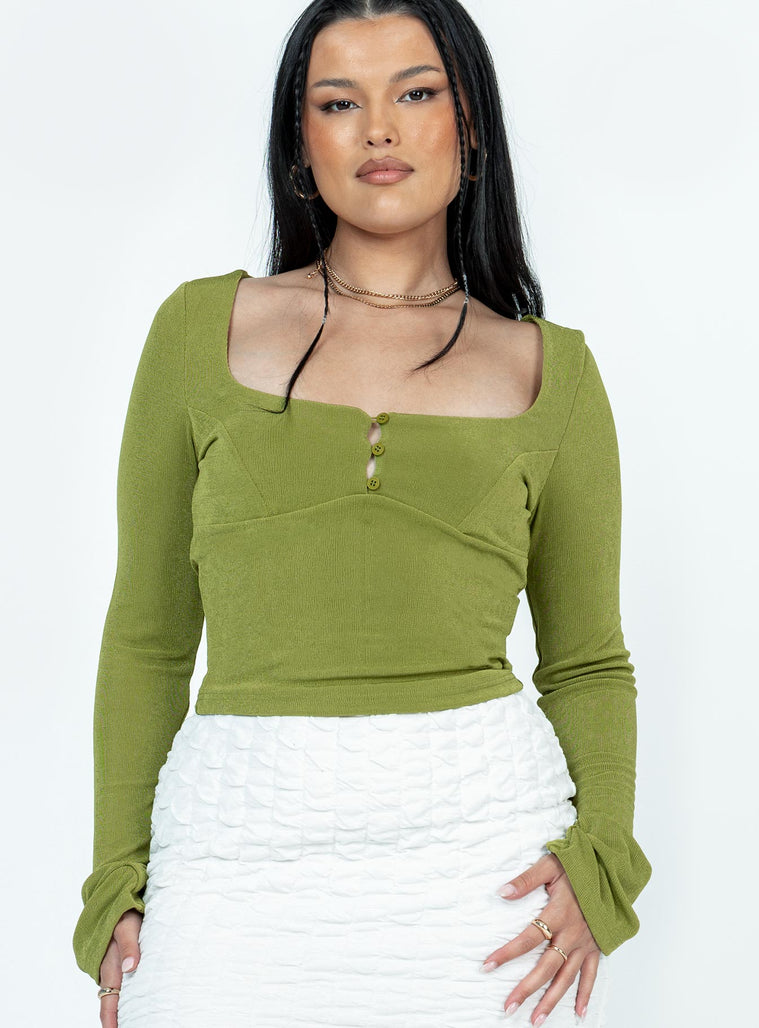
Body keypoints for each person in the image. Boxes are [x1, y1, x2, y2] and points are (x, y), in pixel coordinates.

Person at [72, 2, 652, 1025]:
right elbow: (147, 639)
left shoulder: (550, 371)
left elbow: (587, 661)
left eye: (415, 92)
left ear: (469, 126)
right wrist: (116, 873)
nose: (378, 128)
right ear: (301, 143)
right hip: (233, 858)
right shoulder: (198, 331)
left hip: (482, 874)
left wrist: (600, 859)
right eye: (338, 102)